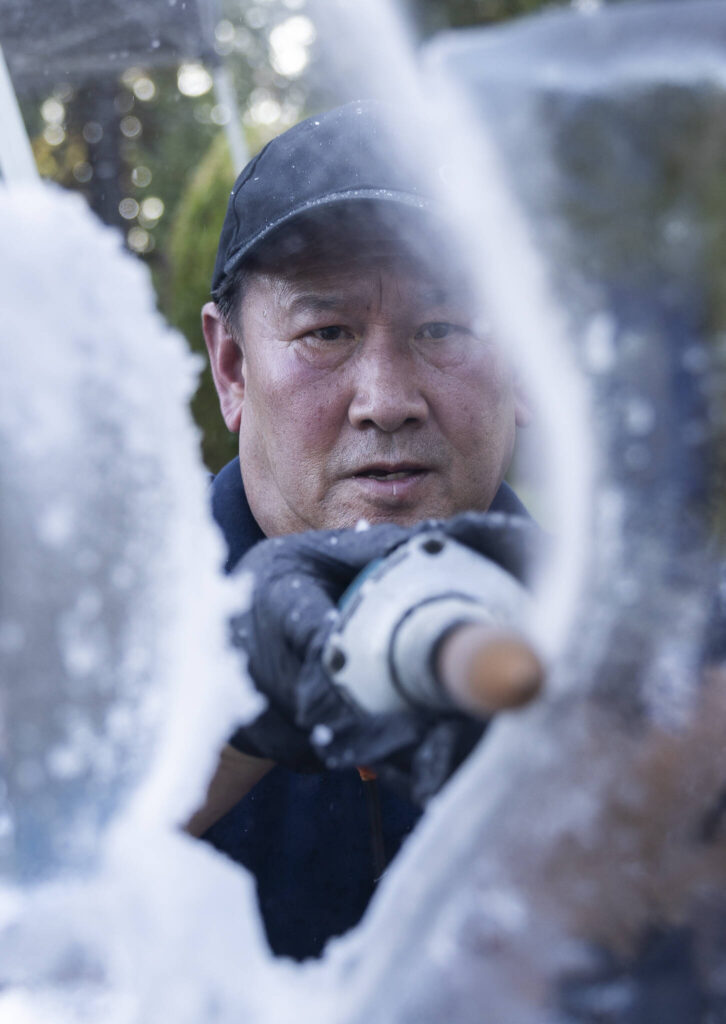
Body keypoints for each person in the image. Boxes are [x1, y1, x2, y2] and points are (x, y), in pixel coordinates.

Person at [191, 100, 535, 960]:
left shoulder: (610, 641)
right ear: (232, 367)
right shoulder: (83, 647)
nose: (385, 400)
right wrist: (222, 718)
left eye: (443, 328)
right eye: (328, 332)